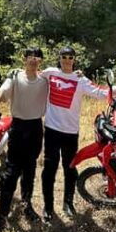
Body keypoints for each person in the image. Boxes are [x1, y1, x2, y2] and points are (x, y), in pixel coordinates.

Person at [40, 46, 110, 221]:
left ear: (74, 59)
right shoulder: (50, 73)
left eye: (70, 57)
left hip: (70, 132)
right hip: (51, 129)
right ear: (59, 57)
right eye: (64, 56)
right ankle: (48, 207)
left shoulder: (80, 79)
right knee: (49, 169)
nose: (67, 59)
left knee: (70, 168)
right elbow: (32, 76)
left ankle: (68, 203)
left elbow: (99, 93)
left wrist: (114, 90)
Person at [0, 47, 48, 231]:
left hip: (36, 127)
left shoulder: (45, 79)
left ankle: (26, 205)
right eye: (30, 56)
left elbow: (64, 78)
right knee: (11, 173)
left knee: (30, 169)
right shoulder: (15, 76)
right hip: (18, 127)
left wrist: (76, 73)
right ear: (23, 59)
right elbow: (1, 90)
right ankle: (2, 214)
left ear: (41, 61)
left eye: (37, 57)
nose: (33, 60)